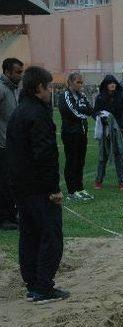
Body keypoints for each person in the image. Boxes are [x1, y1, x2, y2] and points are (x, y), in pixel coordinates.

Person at [6, 66, 69, 304]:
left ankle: (33, 284)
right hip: (39, 189)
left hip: (21, 187)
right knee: (51, 235)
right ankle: (43, 287)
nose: (51, 90)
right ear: (39, 88)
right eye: (49, 86)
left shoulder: (18, 112)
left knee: (29, 235)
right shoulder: (38, 114)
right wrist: (53, 189)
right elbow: (45, 155)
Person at [58, 72, 94, 201]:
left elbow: (89, 109)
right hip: (70, 133)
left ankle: (80, 188)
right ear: (70, 82)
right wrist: (83, 115)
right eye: (78, 82)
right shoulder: (64, 95)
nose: (80, 85)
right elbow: (71, 112)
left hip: (82, 132)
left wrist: (94, 113)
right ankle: (71, 191)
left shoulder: (82, 95)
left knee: (80, 161)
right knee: (71, 161)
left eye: (81, 82)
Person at [93, 75, 123, 190]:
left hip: (118, 129)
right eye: (110, 83)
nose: (112, 84)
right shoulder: (100, 98)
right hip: (104, 131)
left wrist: (122, 125)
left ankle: (122, 182)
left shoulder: (121, 97)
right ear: (105, 85)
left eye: (114, 82)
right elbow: (95, 112)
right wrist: (101, 118)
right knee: (103, 155)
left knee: (119, 154)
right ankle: (98, 181)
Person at [0, 58, 23, 231]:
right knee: (4, 183)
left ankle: (11, 215)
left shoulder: (13, 90)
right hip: (2, 146)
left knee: (11, 182)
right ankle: (4, 218)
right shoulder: (1, 89)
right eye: (17, 72)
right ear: (7, 72)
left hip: (11, 145)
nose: (20, 75)